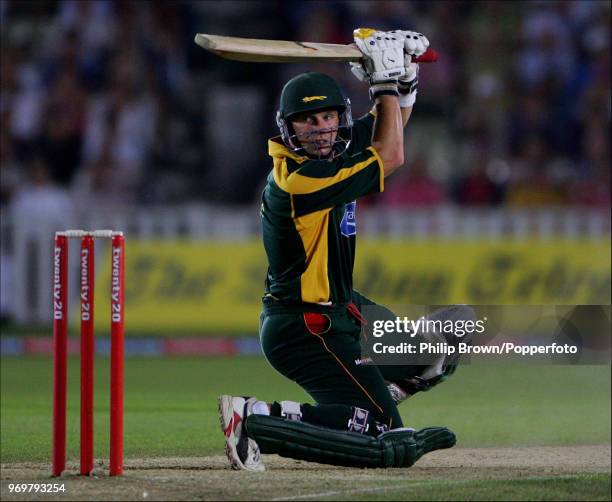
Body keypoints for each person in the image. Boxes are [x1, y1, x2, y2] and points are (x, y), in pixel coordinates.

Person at [219, 29, 475, 471]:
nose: (321, 131)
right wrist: (384, 84)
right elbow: (391, 155)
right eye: (307, 122)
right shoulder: (298, 181)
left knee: (445, 342)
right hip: (305, 327)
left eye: (329, 119)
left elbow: (389, 130)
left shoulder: (333, 153)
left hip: (343, 310)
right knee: (387, 441)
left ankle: (371, 397)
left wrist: (404, 82)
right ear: (288, 128)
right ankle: (256, 418)